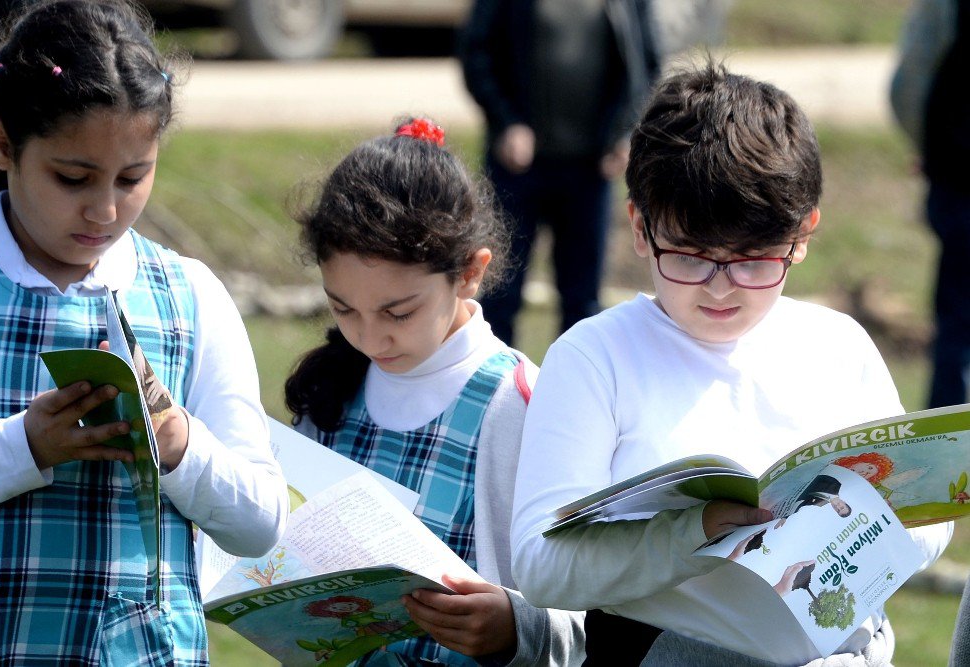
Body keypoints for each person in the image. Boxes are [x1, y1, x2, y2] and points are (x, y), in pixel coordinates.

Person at [509, 63, 953, 666]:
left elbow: (930, 515)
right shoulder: (596, 358)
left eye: (752, 261)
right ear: (641, 226)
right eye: (690, 257)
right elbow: (541, 566)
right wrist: (697, 531)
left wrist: (863, 532)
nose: (720, 288)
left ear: (802, 234)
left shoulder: (837, 345)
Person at [0, 0, 288, 663]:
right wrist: (25, 444)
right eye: (73, 178)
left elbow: (260, 522)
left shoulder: (190, 295)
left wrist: (176, 441)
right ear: (2, 144)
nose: (106, 208)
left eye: (133, 177)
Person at [284, 117, 585, 666]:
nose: (370, 337)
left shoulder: (519, 405)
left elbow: (590, 609)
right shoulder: (330, 389)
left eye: (398, 312)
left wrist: (514, 626)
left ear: (470, 273)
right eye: (343, 308)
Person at [459, 0, 661, 345]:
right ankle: (495, 391)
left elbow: (647, 63)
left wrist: (626, 133)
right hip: (517, 169)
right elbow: (476, 53)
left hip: (591, 170)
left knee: (582, 302)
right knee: (499, 297)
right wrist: (506, 123)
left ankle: (577, 393)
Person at [889, 0, 970, 408]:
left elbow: (910, 84)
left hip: (961, 180)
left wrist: (932, 146)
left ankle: (953, 457)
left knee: (960, 328)